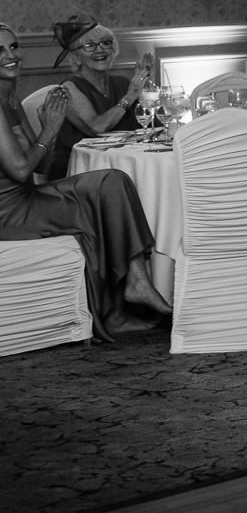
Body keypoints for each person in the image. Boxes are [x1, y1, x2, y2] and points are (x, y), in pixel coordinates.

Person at [0, 24, 169, 338]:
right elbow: (22, 170)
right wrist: (50, 131)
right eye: (0, 51)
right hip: (9, 212)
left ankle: (137, 283)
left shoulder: (11, 98)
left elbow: (43, 164)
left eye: (14, 47)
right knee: (99, 203)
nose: (11, 56)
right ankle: (115, 312)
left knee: (112, 181)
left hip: (27, 197)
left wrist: (48, 135)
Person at [48, 15, 152, 180]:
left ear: (113, 50)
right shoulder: (69, 88)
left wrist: (146, 90)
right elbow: (96, 127)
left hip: (122, 167)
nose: (99, 50)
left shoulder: (122, 83)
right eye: (89, 45)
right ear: (76, 57)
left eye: (105, 43)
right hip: (80, 173)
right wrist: (130, 96)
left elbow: (147, 126)